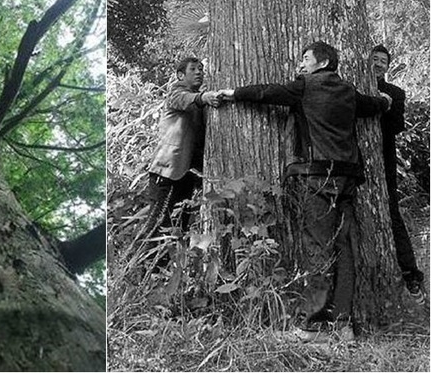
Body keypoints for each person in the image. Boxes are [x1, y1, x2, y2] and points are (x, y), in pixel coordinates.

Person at [215, 41, 391, 341]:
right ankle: (343, 325)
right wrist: (385, 102)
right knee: (344, 250)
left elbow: (266, 92)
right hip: (347, 180)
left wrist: (232, 93)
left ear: (323, 63)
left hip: (317, 177)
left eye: (306, 59)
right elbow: (371, 105)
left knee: (317, 248)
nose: (300, 64)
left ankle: (313, 325)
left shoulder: (304, 86)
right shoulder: (348, 90)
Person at [371, 44, 425, 305]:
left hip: (384, 157)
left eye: (384, 61)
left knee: (391, 212)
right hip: (349, 159)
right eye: (375, 58)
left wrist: (382, 102)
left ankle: (411, 274)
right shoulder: (348, 87)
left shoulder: (395, 92)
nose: (379, 63)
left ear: (388, 67)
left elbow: (395, 126)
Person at [147, 57, 219, 240]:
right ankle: (145, 268)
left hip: (185, 175)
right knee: (157, 226)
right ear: (180, 75)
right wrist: (203, 97)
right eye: (193, 69)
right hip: (165, 172)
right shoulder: (177, 92)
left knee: (179, 225)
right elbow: (184, 100)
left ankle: (168, 267)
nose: (199, 72)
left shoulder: (200, 101)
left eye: (201, 69)